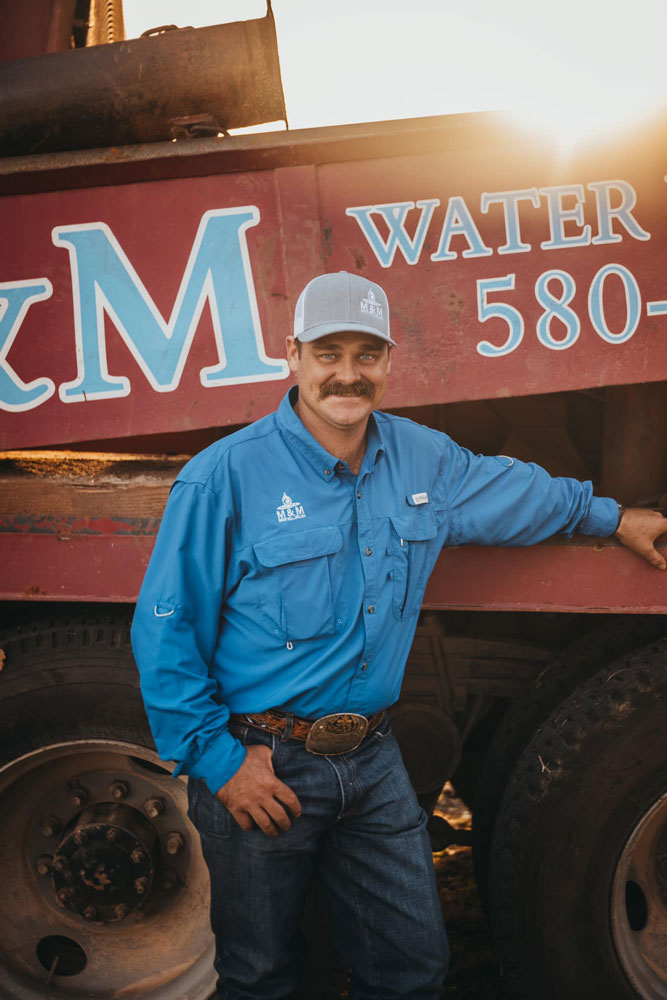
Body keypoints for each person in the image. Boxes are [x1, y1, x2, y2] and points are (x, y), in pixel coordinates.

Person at [131, 270, 667, 1000]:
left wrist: (611, 518)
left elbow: (515, 493)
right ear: (293, 356)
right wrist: (219, 763)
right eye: (328, 353)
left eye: (365, 353)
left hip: (374, 762)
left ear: (387, 361)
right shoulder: (222, 478)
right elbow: (166, 627)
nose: (347, 374)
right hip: (265, 762)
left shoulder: (423, 457)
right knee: (261, 978)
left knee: (413, 972)